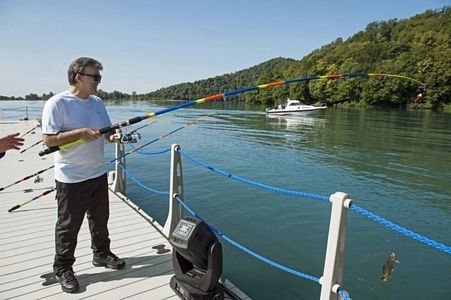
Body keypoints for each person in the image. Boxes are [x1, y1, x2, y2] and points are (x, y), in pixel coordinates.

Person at [41, 57, 125, 293]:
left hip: (97, 173)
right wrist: (79, 134)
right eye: (95, 76)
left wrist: (113, 137)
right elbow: (48, 140)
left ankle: (102, 254)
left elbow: (107, 132)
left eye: (99, 76)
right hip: (71, 178)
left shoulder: (97, 102)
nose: (99, 81)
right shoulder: (57, 103)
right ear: (79, 77)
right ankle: (63, 268)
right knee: (68, 227)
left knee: (100, 221)